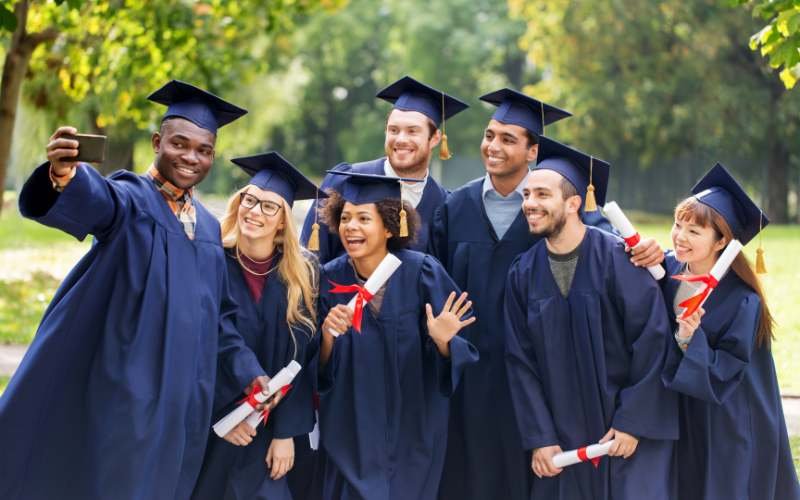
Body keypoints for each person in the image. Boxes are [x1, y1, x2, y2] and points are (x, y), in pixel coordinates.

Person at [0, 80, 269, 500]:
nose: (191, 157)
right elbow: (98, 198)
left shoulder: (210, 228)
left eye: (203, 150)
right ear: (157, 142)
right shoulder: (130, 200)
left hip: (183, 407)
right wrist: (63, 175)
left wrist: (248, 370)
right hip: (128, 396)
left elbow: (220, 319)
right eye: (180, 144)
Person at [432, 88, 661, 500]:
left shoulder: (584, 231)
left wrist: (652, 251)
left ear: (533, 150)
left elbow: (644, 323)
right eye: (489, 135)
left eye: (508, 138)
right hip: (476, 377)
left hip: (557, 382)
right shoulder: (454, 207)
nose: (493, 146)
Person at [503, 136, 678, 500]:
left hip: (621, 438)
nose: (530, 204)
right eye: (526, 195)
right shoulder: (523, 273)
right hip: (560, 446)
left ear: (573, 204)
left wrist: (632, 422)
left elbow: (653, 341)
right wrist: (541, 437)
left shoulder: (619, 260)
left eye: (542, 195)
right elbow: (521, 362)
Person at [316, 171, 479, 500]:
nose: (351, 227)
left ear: (390, 226)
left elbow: (457, 357)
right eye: (345, 218)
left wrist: (443, 340)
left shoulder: (423, 272)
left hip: (413, 431)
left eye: (364, 218)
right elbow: (315, 368)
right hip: (351, 433)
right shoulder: (328, 280)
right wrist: (328, 336)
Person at [659, 163, 800, 500]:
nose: (680, 236)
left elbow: (727, 369)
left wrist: (691, 339)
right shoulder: (665, 271)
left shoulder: (742, 299)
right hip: (682, 410)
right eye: (679, 225)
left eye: (695, 231)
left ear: (722, 240)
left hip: (729, 417)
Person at [191, 152, 324, 499]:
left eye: (269, 206)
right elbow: (199, 345)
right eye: (250, 200)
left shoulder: (302, 274)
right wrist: (223, 416)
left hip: (271, 432)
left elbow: (305, 360)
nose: (255, 211)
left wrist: (285, 432)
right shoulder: (212, 261)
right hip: (216, 423)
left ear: (283, 220)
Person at [300, 76, 468, 263]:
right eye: (393, 130)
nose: (401, 139)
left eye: (412, 131)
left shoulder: (444, 205)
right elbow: (311, 258)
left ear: (435, 138)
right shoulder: (346, 181)